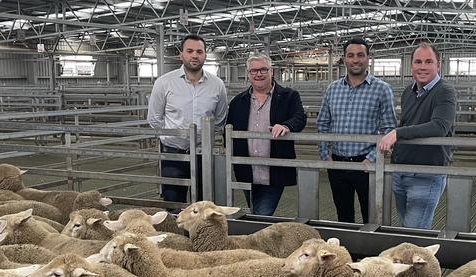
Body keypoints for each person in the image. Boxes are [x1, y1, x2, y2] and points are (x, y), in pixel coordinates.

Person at [316, 38, 396, 223]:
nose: (355, 60)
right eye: (350, 55)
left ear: (368, 58)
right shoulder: (333, 89)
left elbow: (389, 128)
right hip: (337, 162)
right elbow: (323, 123)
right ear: (344, 59)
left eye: (360, 55)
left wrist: (372, 158)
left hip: (366, 164)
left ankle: (370, 250)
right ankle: (345, 251)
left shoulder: (382, 89)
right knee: (343, 215)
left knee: (371, 216)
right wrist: (324, 155)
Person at [378, 42, 456, 229]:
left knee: (414, 233)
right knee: (406, 227)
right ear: (411, 65)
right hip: (401, 170)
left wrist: (397, 133)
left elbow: (439, 127)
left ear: (438, 65)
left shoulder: (445, 91)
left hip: (426, 172)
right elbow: (408, 123)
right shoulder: (408, 92)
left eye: (428, 61)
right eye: (418, 61)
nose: (422, 67)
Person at [147, 34, 228, 204]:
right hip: (173, 153)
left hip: (202, 154)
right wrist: (173, 135)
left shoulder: (217, 85)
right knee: (173, 203)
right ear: (181, 55)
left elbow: (220, 119)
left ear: (205, 55)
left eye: (199, 51)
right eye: (189, 51)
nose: (195, 55)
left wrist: (203, 139)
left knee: (204, 206)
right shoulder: (164, 83)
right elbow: (154, 119)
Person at [226, 54, 307, 215]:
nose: (258, 74)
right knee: (255, 210)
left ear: (272, 71)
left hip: (274, 170)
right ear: (248, 74)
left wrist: (286, 125)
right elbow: (228, 130)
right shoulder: (238, 101)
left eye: (263, 69)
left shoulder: (289, 96)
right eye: (253, 70)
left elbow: (300, 117)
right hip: (246, 170)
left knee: (261, 214)